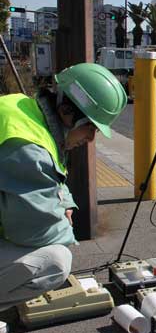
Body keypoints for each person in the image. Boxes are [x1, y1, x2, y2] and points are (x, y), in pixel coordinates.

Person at [0, 63, 127, 314]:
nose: (91, 139)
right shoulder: (29, 149)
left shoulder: (20, 109)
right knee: (56, 261)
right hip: (23, 229)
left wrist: (64, 202)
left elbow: (51, 176)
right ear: (68, 111)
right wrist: (65, 228)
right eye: (90, 127)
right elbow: (32, 233)